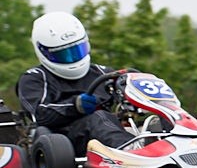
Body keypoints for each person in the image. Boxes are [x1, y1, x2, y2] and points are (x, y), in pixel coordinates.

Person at [17, 11, 135, 155]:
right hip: (62, 143)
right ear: (44, 52)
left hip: (106, 131)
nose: (72, 58)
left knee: (154, 119)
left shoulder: (103, 73)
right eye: (63, 54)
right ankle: (132, 151)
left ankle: (166, 144)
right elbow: (40, 115)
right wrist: (75, 106)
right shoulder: (34, 79)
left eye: (77, 50)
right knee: (98, 117)